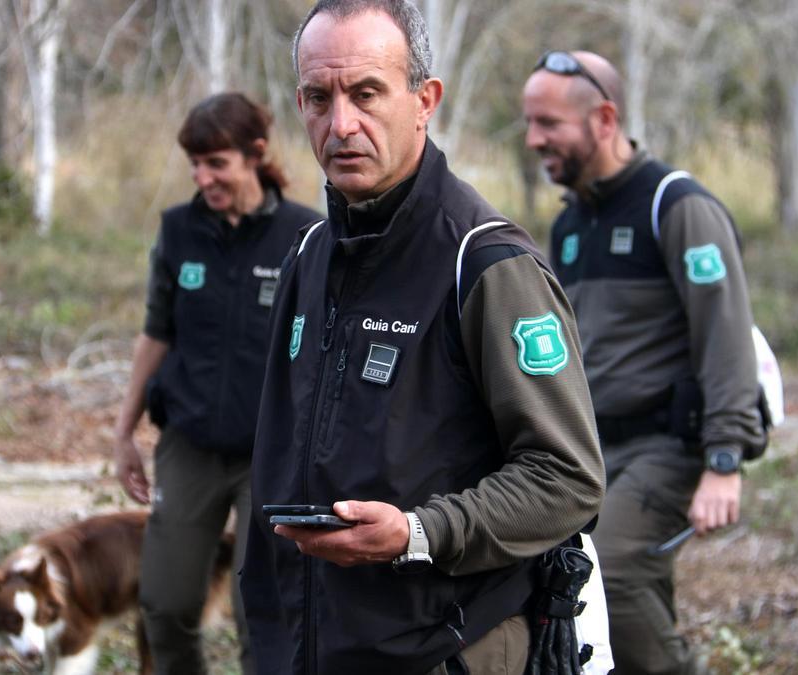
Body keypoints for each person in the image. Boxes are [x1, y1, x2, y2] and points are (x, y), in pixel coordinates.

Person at [240, 3, 606, 674]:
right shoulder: (308, 256)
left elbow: (567, 477)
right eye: (320, 98)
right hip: (311, 647)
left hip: (447, 647)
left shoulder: (487, 262)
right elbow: (274, 459)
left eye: (367, 92)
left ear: (424, 100)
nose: (341, 123)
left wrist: (417, 533)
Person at [523, 51, 767, 674]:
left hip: (667, 445)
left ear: (604, 119)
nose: (534, 139)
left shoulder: (676, 206)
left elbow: (727, 335)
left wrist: (724, 459)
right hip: (598, 452)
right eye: (530, 122)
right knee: (587, 587)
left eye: (549, 123)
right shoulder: (571, 224)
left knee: (614, 571)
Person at [113, 91, 322, 675]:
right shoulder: (179, 232)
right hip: (190, 444)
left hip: (271, 453)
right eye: (196, 166)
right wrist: (123, 431)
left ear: (255, 154)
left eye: (217, 164)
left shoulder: (304, 236)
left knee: (264, 611)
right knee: (165, 601)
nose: (204, 178)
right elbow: (155, 333)